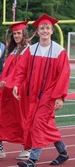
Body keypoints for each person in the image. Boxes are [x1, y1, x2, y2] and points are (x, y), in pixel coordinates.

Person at [13, 14, 70, 167]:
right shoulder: (31, 50)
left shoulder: (59, 51)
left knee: (38, 123)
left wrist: (60, 97)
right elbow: (21, 70)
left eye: (47, 28)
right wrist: (16, 84)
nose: (45, 31)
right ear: (37, 31)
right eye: (42, 28)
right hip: (33, 94)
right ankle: (63, 152)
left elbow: (64, 76)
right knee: (44, 124)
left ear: (52, 31)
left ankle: (32, 160)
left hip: (50, 94)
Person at [0, 21, 30, 160]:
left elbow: (22, 72)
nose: (16, 36)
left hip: (18, 90)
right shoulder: (14, 50)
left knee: (20, 119)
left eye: (19, 33)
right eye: (15, 33)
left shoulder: (28, 50)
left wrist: (8, 82)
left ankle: (27, 148)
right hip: (3, 90)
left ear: (24, 34)